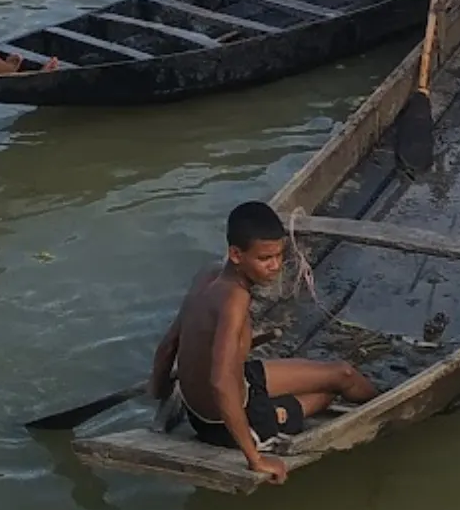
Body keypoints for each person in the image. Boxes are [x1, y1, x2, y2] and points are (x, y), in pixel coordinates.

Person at [148, 200, 379, 483]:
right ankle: (386, 415)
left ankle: (375, 400)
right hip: (227, 424)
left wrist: (159, 393)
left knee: (341, 372)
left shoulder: (207, 275)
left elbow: (169, 345)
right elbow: (220, 381)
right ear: (235, 254)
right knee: (330, 393)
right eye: (264, 259)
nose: (275, 266)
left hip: (211, 404)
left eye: (279, 255)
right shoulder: (235, 300)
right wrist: (255, 459)